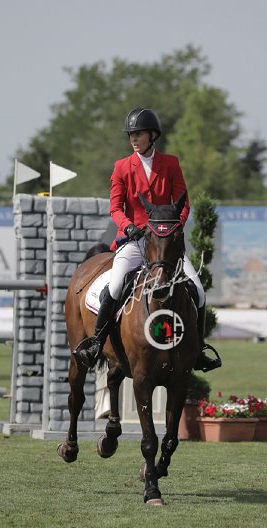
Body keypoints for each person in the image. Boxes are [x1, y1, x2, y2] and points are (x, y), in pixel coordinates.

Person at [75, 108, 221, 372]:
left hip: (164, 244)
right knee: (116, 285)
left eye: (139, 133)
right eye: (131, 134)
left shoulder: (171, 164)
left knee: (197, 289)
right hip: (134, 240)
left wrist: (171, 229)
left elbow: (183, 204)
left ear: (152, 135)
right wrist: (129, 227)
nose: (134, 138)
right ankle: (96, 343)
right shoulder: (122, 167)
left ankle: (198, 350)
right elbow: (115, 208)